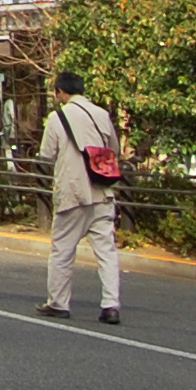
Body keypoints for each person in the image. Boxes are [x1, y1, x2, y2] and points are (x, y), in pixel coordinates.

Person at [37, 68, 123, 323]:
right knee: (106, 252)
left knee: (63, 250)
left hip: (72, 193)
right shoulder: (101, 114)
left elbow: (46, 154)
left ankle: (58, 302)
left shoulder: (57, 118)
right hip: (102, 191)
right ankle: (111, 305)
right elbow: (114, 148)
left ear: (60, 91)